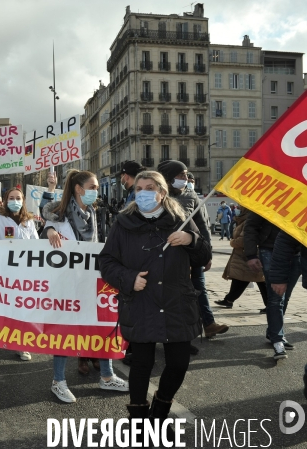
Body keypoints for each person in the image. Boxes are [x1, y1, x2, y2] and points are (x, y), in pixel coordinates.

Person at [99, 170, 211, 437]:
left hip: (176, 302)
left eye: (150, 187)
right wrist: (128, 278)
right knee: (141, 365)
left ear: (162, 192)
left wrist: (191, 240)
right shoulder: (123, 222)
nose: (144, 192)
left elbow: (204, 255)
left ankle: (159, 413)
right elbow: (106, 261)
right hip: (141, 302)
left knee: (179, 363)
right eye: (139, 188)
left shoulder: (180, 220)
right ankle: (138, 421)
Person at [40, 169, 129, 403]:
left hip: (91, 280)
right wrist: (49, 230)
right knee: (64, 331)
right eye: (93, 187)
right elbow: (45, 231)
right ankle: (58, 382)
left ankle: (107, 377)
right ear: (79, 189)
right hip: (66, 284)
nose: (96, 191)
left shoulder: (92, 212)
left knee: (100, 325)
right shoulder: (59, 214)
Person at [157, 160, 229, 345]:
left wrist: (207, 252)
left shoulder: (192, 196)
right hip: (169, 255)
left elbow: (202, 226)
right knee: (175, 294)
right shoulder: (157, 195)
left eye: (186, 174)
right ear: (168, 178)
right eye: (181, 175)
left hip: (192, 250)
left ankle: (209, 324)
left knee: (200, 289)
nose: (185, 178)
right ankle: (174, 333)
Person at [0, 175, 36, 361]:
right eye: (11, 198)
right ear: (4, 201)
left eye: (18, 198)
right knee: (1, 308)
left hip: (23, 275)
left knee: (21, 310)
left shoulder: (29, 222)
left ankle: (21, 345)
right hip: (1, 274)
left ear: (23, 201)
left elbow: (36, 246)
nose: (15, 201)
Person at [244, 212, 301, 359]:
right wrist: (251, 255)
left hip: (298, 252)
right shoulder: (269, 193)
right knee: (276, 297)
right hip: (270, 249)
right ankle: (277, 339)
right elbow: (251, 226)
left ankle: (273, 332)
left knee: (285, 296)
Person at [269, 232, 307, 382]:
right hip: (270, 250)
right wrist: (279, 277)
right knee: (276, 301)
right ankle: (275, 335)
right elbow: (286, 238)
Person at [214, 208, 268, 311]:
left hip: (247, 255)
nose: (237, 209)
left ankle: (271, 305)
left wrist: (232, 242)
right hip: (243, 255)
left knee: (259, 280)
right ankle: (229, 300)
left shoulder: (248, 221)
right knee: (241, 278)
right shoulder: (243, 220)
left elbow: (243, 240)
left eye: (240, 208)